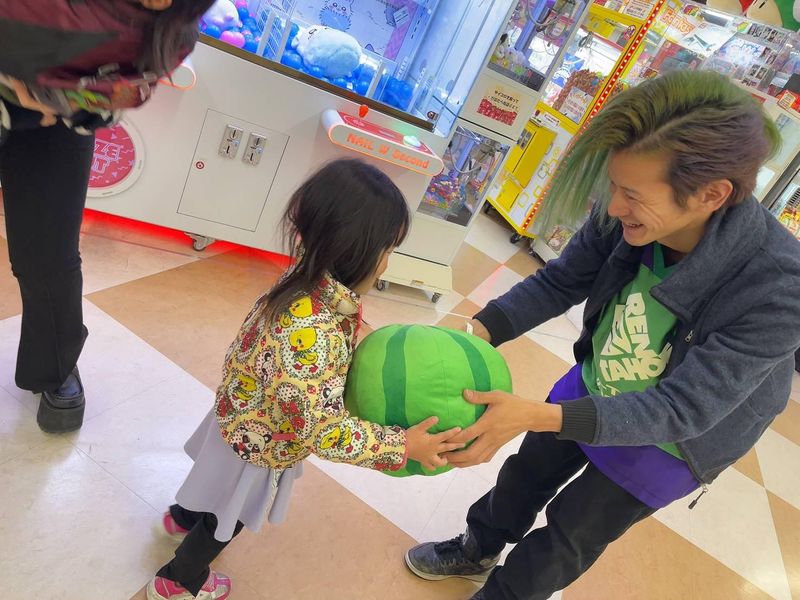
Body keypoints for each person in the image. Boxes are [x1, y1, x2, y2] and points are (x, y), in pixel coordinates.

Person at [404, 70, 800, 599]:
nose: (613, 207)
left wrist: (536, 414)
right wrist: (474, 333)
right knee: (524, 475)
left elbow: (684, 408)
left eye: (631, 194)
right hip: (599, 379)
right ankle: (478, 545)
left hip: (672, 439)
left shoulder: (779, 285)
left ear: (712, 194)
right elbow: (561, 280)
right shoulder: (629, 210)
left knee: (570, 536)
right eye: (614, 186)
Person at [147, 159, 466, 600]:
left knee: (212, 482)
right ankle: (178, 580)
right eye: (387, 249)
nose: (387, 263)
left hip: (237, 414)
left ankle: (180, 517)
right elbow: (321, 430)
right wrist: (401, 446)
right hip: (260, 445)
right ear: (354, 250)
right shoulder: (314, 332)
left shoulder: (306, 280)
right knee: (226, 516)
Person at [0, 0, 214, 433]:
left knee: (50, 254)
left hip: (61, 118)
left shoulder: (171, 28)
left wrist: (64, 100)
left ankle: (54, 365)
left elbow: (128, 90)